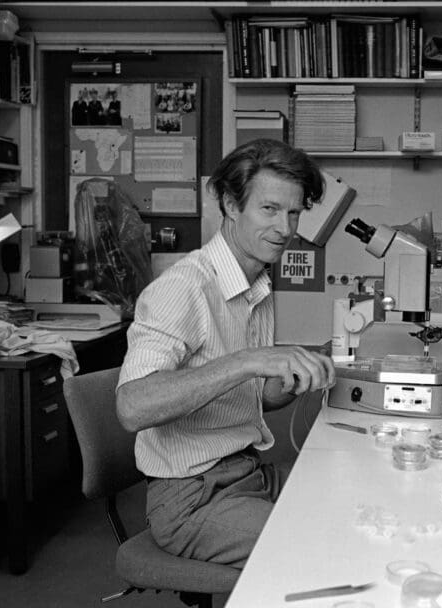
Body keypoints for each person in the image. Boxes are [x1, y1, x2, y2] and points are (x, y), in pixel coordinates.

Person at [116, 138, 334, 568]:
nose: (286, 228)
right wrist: (249, 360)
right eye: (269, 209)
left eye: (294, 212)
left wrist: (297, 374)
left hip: (246, 473)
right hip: (190, 498)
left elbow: (255, 398)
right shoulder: (186, 287)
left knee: (348, 503)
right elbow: (132, 407)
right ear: (232, 206)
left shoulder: (258, 286)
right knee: (316, 549)